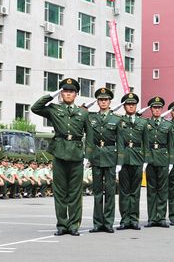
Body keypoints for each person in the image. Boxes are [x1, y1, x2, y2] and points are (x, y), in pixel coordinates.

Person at [32, 78, 88, 236]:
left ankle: (74, 225)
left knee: (75, 193)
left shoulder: (83, 113)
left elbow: (89, 135)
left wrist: (88, 156)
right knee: (60, 191)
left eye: (71, 92)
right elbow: (35, 107)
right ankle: (62, 225)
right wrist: (52, 94)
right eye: (65, 91)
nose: (68, 94)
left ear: (76, 94)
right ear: (61, 93)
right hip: (59, 152)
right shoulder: (54, 109)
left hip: (76, 155)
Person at [85, 87, 123, 234]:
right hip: (96, 156)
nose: (103, 102)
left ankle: (108, 223)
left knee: (110, 191)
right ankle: (97, 223)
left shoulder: (116, 119)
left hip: (110, 156)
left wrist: (119, 161)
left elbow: (120, 141)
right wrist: (87, 156)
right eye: (100, 100)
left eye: (105, 100)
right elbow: (89, 138)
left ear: (110, 101)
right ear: (97, 102)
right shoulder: (91, 118)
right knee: (97, 192)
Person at [117, 92, 148, 230]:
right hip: (123, 159)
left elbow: (146, 143)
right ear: (124, 106)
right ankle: (124, 219)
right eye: (128, 104)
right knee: (124, 192)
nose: (131, 106)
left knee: (135, 192)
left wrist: (145, 160)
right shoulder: (119, 121)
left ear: (136, 106)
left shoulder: (143, 122)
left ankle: (134, 219)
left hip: (137, 158)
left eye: (133, 104)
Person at [144, 96, 173, 228]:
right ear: (151, 109)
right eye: (154, 108)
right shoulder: (145, 124)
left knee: (162, 190)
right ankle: (152, 218)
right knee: (151, 190)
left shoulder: (168, 125)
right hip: (150, 158)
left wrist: (170, 161)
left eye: (159, 108)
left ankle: (161, 217)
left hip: (163, 158)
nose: (156, 110)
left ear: (162, 109)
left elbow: (171, 144)